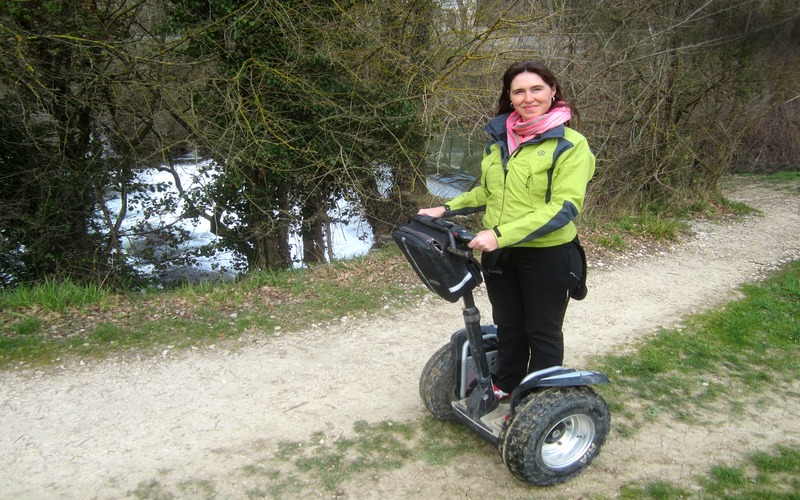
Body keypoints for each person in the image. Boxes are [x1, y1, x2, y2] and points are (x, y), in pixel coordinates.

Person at [418, 60, 595, 399]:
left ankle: (538, 399)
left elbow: (564, 207)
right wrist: (446, 207)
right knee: (509, 325)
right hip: (499, 253)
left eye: (536, 89)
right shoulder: (500, 141)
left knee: (541, 331)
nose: (528, 98)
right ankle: (507, 383)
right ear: (509, 98)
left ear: (553, 91)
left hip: (548, 254)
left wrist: (498, 235)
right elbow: (486, 192)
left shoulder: (570, 145)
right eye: (519, 91)